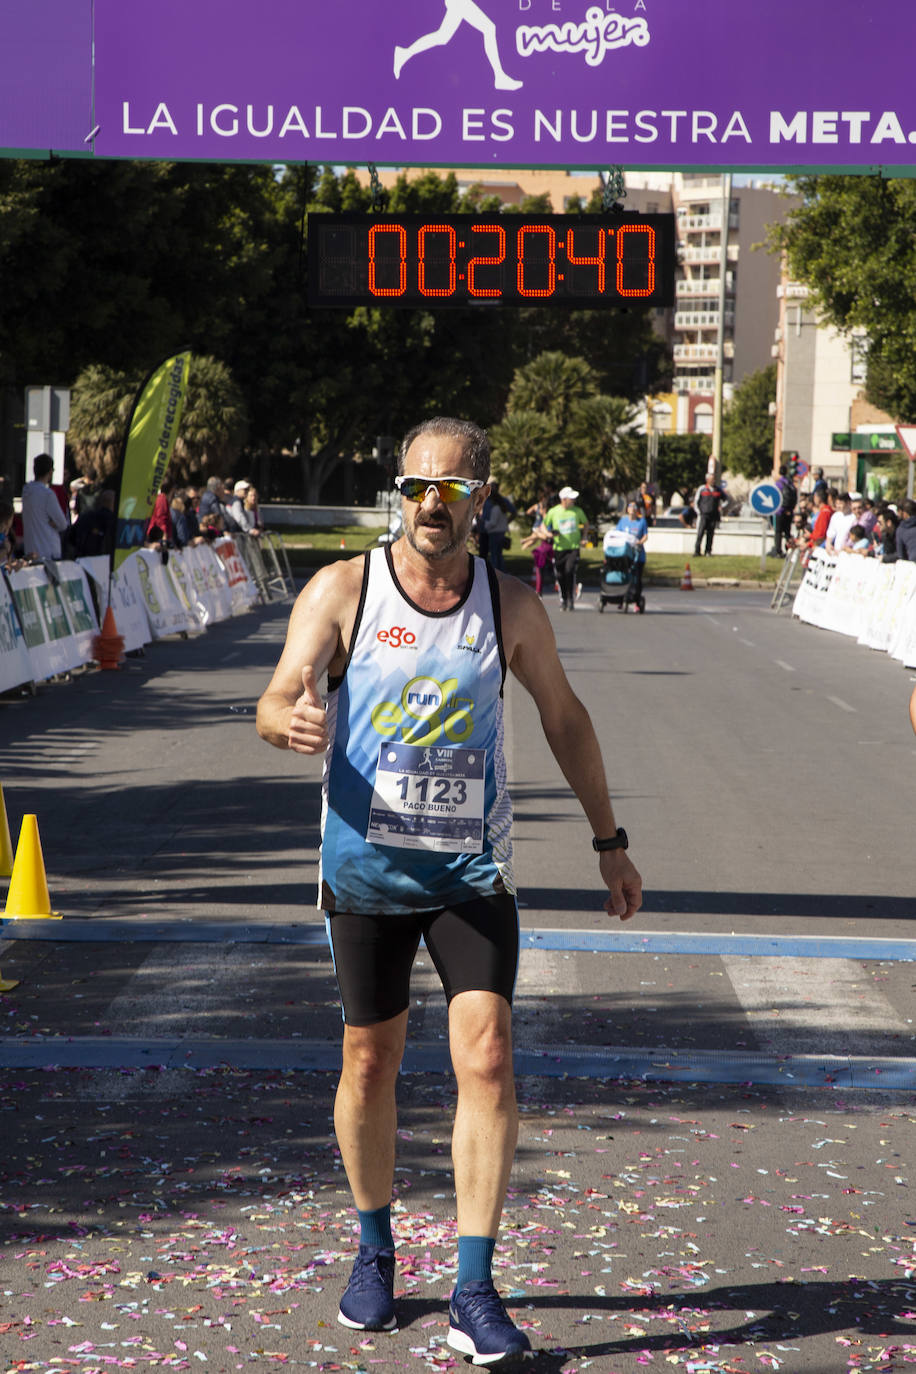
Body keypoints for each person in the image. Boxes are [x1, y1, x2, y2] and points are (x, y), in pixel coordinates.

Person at [256, 416, 642, 1365]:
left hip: (471, 872)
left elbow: (564, 718)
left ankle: (475, 1284)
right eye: (418, 488)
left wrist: (610, 841)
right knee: (368, 1064)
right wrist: (288, 721)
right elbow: (276, 695)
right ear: (400, 492)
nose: (433, 506)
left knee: (488, 1057)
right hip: (366, 871)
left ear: (480, 497)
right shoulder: (344, 590)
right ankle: (375, 1252)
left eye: (452, 489)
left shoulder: (508, 606)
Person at [543, 485, 588, 610]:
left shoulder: (577, 511)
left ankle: (570, 598)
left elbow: (586, 523)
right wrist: (548, 534)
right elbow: (544, 525)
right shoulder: (554, 511)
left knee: (569, 571)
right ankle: (564, 598)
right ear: (563, 499)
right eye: (571, 498)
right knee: (560, 575)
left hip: (573, 548)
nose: (573, 501)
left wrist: (584, 537)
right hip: (559, 549)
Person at [20, 452, 69, 560]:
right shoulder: (47, 494)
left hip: (31, 550)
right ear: (50, 472)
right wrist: (52, 522)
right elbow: (63, 524)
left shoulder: (26, 491)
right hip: (48, 551)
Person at [612, 498, 648, 608]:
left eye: (634, 507)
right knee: (623, 576)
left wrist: (639, 542)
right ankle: (621, 597)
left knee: (636, 578)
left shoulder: (641, 521)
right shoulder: (623, 521)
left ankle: (636, 598)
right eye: (630, 507)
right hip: (625, 554)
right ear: (627, 509)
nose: (632, 509)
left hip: (638, 555)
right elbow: (617, 534)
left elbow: (645, 535)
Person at [692, 474, 726, 557]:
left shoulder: (718, 490)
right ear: (707, 480)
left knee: (710, 534)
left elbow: (727, 499)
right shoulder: (702, 489)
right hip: (703, 515)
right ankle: (697, 551)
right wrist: (699, 512)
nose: (713, 481)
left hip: (713, 515)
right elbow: (696, 501)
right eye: (711, 479)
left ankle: (708, 551)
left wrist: (721, 507)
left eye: (714, 479)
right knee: (700, 533)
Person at [770, 464, 797, 557]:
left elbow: (774, 496)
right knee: (787, 532)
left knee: (778, 532)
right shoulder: (790, 483)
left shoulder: (778, 483)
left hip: (780, 511)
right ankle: (791, 549)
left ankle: (778, 551)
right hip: (789, 511)